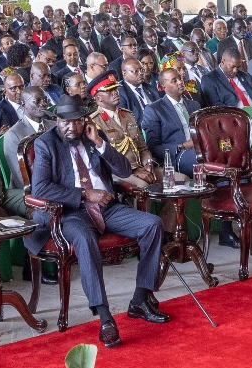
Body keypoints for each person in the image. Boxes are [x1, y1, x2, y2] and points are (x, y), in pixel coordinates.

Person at [26, 96, 167, 348]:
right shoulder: (45, 143)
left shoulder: (94, 136)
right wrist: (85, 194)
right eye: (65, 122)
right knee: (84, 238)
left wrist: (100, 143)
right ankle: (105, 318)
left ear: (85, 120)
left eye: (77, 122)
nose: (71, 128)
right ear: (57, 121)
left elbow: (124, 170)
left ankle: (140, 300)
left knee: (153, 224)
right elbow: (41, 188)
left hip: (107, 207)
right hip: (71, 212)